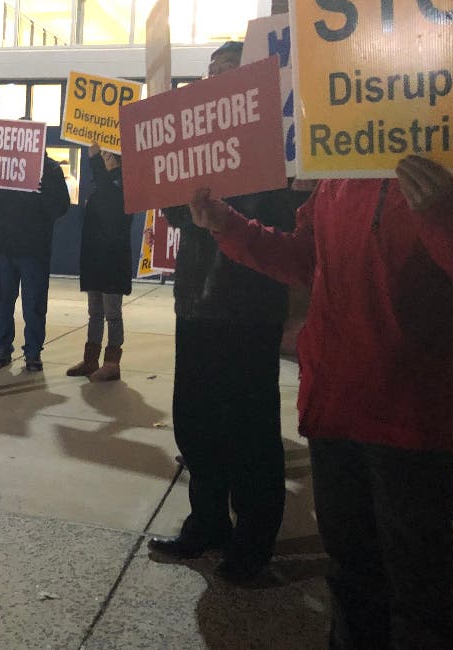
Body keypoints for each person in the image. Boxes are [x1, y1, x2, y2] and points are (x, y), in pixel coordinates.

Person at [189, 156, 453, 648]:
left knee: (418, 589)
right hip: (335, 406)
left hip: (410, 416)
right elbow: (305, 258)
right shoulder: (346, 158)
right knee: (352, 579)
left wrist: (446, 211)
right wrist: (227, 225)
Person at [146, 41, 299, 585]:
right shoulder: (196, 138)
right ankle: (206, 522)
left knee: (250, 431)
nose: (216, 82)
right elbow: (174, 213)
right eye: (211, 75)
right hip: (196, 303)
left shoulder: (275, 143)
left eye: (228, 73)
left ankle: (253, 544)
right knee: (196, 422)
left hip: (248, 306)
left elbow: (281, 222)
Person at [0, 149, 70, 373]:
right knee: (2, 302)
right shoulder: (3, 166)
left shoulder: (50, 169)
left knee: (34, 304)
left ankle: (33, 352)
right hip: (6, 247)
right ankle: (2, 348)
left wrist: (43, 192)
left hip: (35, 249)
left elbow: (61, 206)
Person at [66, 142, 132, 382]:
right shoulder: (102, 184)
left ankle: (112, 363)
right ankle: (91, 359)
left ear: (115, 160)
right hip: (96, 257)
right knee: (94, 312)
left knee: (112, 313)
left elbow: (108, 197)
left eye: (105, 156)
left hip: (112, 259)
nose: (102, 158)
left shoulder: (122, 184)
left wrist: (93, 160)